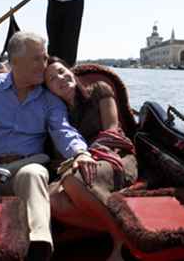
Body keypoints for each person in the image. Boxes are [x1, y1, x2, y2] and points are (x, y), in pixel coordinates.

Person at [0, 32, 97, 260]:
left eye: (44, 58)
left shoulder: (49, 100)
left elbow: (63, 131)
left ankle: (39, 246)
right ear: (14, 62)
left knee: (35, 173)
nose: (44, 64)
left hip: (21, 174)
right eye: (37, 59)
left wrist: (80, 152)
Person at [44, 57, 137, 261]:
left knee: (72, 180)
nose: (59, 78)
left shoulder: (99, 89)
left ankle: (120, 240)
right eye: (51, 79)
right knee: (51, 199)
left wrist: (88, 156)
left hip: (114, 155)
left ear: (70, 71)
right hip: (80, 165)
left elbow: (112, 130)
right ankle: (128, 230)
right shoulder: (56, 114)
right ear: (48, 89)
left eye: (61, 71)